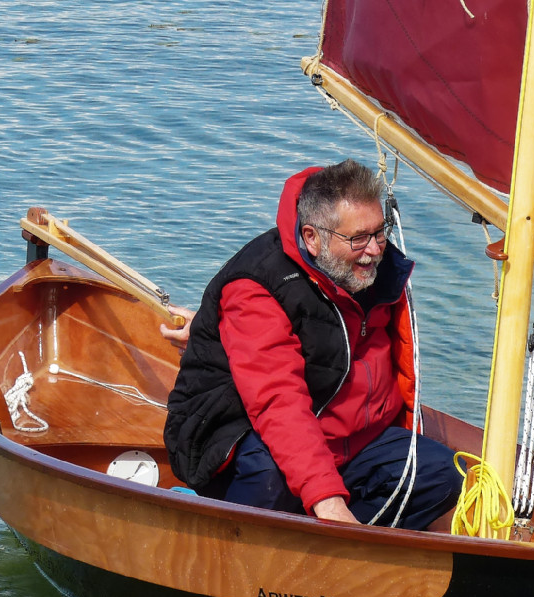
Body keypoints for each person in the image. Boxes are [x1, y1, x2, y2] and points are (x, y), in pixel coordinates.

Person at [162, 159, 459, 530]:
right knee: (270, 477)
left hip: (349, 441)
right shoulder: (257, 287)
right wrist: (327, 501)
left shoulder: (371, 271)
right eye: (357, 239)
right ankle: (250, 542)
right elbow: (278, 402)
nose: (373, 251)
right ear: (311, 238)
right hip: (243, 433)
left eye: (379, 233)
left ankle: (336, 551)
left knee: (441, 476)